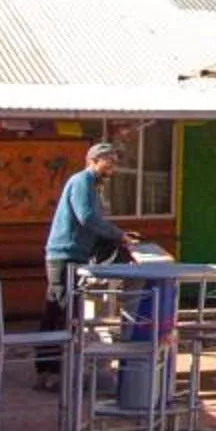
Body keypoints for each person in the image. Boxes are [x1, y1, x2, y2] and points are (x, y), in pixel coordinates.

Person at [35, 142, 137, 387]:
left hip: (74, 255)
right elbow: (87, 217)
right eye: (109, 160)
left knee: (62, 313)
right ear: (94, 160)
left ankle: (51, 370)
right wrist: (118, 235)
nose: (113, 166)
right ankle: (51, 373)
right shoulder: (83, 182)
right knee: (62, 313)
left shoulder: (92, 185)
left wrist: (115, 236)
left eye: (114, 161)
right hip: (65, 255)